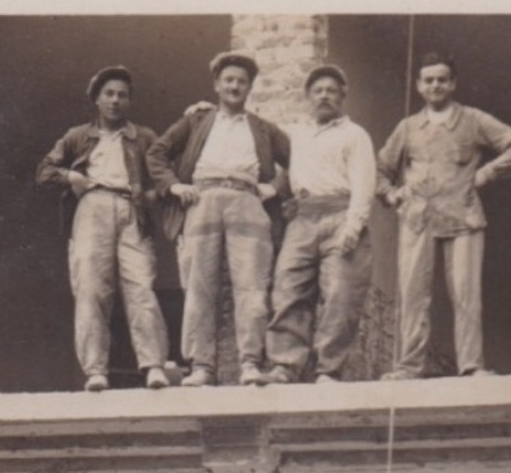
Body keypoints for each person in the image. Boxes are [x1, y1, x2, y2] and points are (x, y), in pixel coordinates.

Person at [375, 52, 511, 379]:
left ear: (453, 83)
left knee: (466, 294)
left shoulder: (473, 120)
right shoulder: (407, 128)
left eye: (442, 79)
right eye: (429, 80)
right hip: (417, 219)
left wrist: (487, 173)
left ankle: (471, 365)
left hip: (463, 218)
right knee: (412, 294)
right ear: (419, 85)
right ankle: (409, 366)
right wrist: (391, 195)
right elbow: (380, 169)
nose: (436, 85)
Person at [146, 52, 290, 387]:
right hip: (203, 199)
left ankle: (251, 363)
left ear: (250, 87)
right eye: (229, 80)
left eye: (241, 81)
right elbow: (157, 152)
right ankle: (201, 366)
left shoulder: (262, 129)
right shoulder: (197, 121)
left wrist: (275, 187)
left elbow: (300, 158)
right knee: (198, 286)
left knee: (251, 286)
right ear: (217, 84)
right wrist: (174, 186)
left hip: (247, 201)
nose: (235, 86)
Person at [36, 65, 172, 392]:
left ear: (130, 102)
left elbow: (167, 171)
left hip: (130, 210)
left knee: (141, 286)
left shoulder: (144, 137)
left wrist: (152, 195)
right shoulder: (78, 136)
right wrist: (72, 177)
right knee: (91, 288)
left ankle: (153, 365)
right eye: (108, 94)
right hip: (92, 207)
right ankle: (95, 370)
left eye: (122, 95)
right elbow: (43, 171)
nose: (115, 101)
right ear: (96, 99)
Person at [263, 65, 377, 384]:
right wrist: (202, 112)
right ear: (308, 97)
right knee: (288, 288)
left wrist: (353, 226)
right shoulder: (296, 133)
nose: (324, 95)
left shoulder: (355, 135)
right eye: (318, 90)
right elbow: (254, 128)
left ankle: (328, 369)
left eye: (331, 90)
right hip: (302, 217)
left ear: (342, 96)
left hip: (340, 213)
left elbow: (364, 183)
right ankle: (285, 365)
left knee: (340, 295)